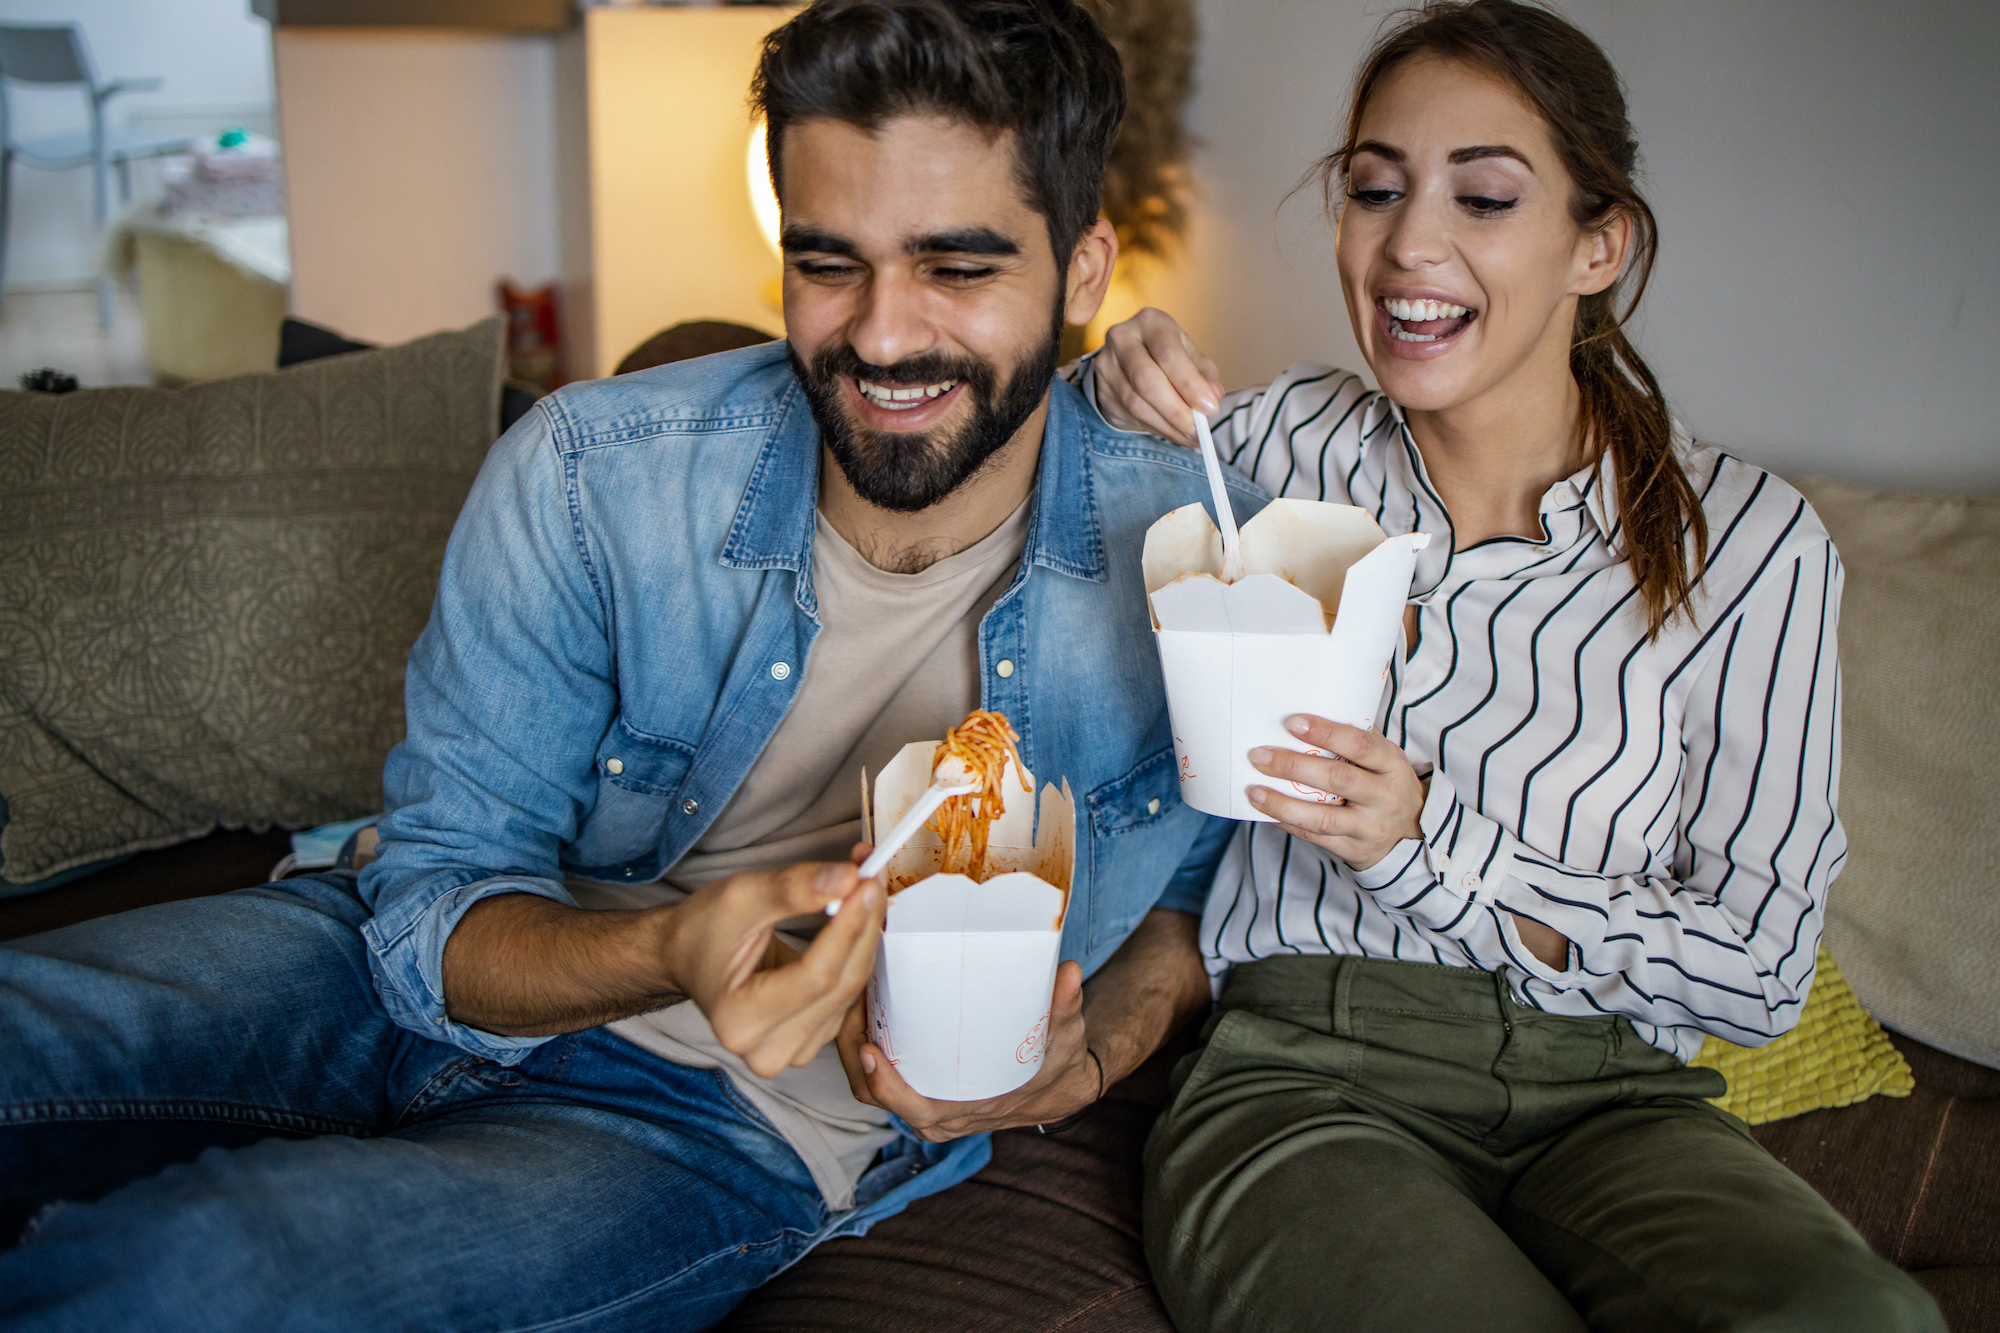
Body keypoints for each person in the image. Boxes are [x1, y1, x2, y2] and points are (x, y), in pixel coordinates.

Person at [0, 3, 1248, 1328]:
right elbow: (435, 912)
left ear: (1084, 271)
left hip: (724, 1121)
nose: (883, 337)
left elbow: (1183, 901)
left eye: (956, 269)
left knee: (192, 1277)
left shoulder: (1201, 553)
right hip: (407, 966)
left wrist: (1086, 1060)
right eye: (830, 263)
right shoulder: (594, 474)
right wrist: (670, 948)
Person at [1084, 2, 1944, 1329]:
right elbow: (1056, 525)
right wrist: (1108, 383)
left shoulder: (1750, 543)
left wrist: (1435, 847)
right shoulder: (1276, 446)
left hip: (1618, 1095)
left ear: (1598, 244)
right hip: (1304, 1072)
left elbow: (1763, 975)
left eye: (1483, 196)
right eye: (1374, 188)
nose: (1407, 243)